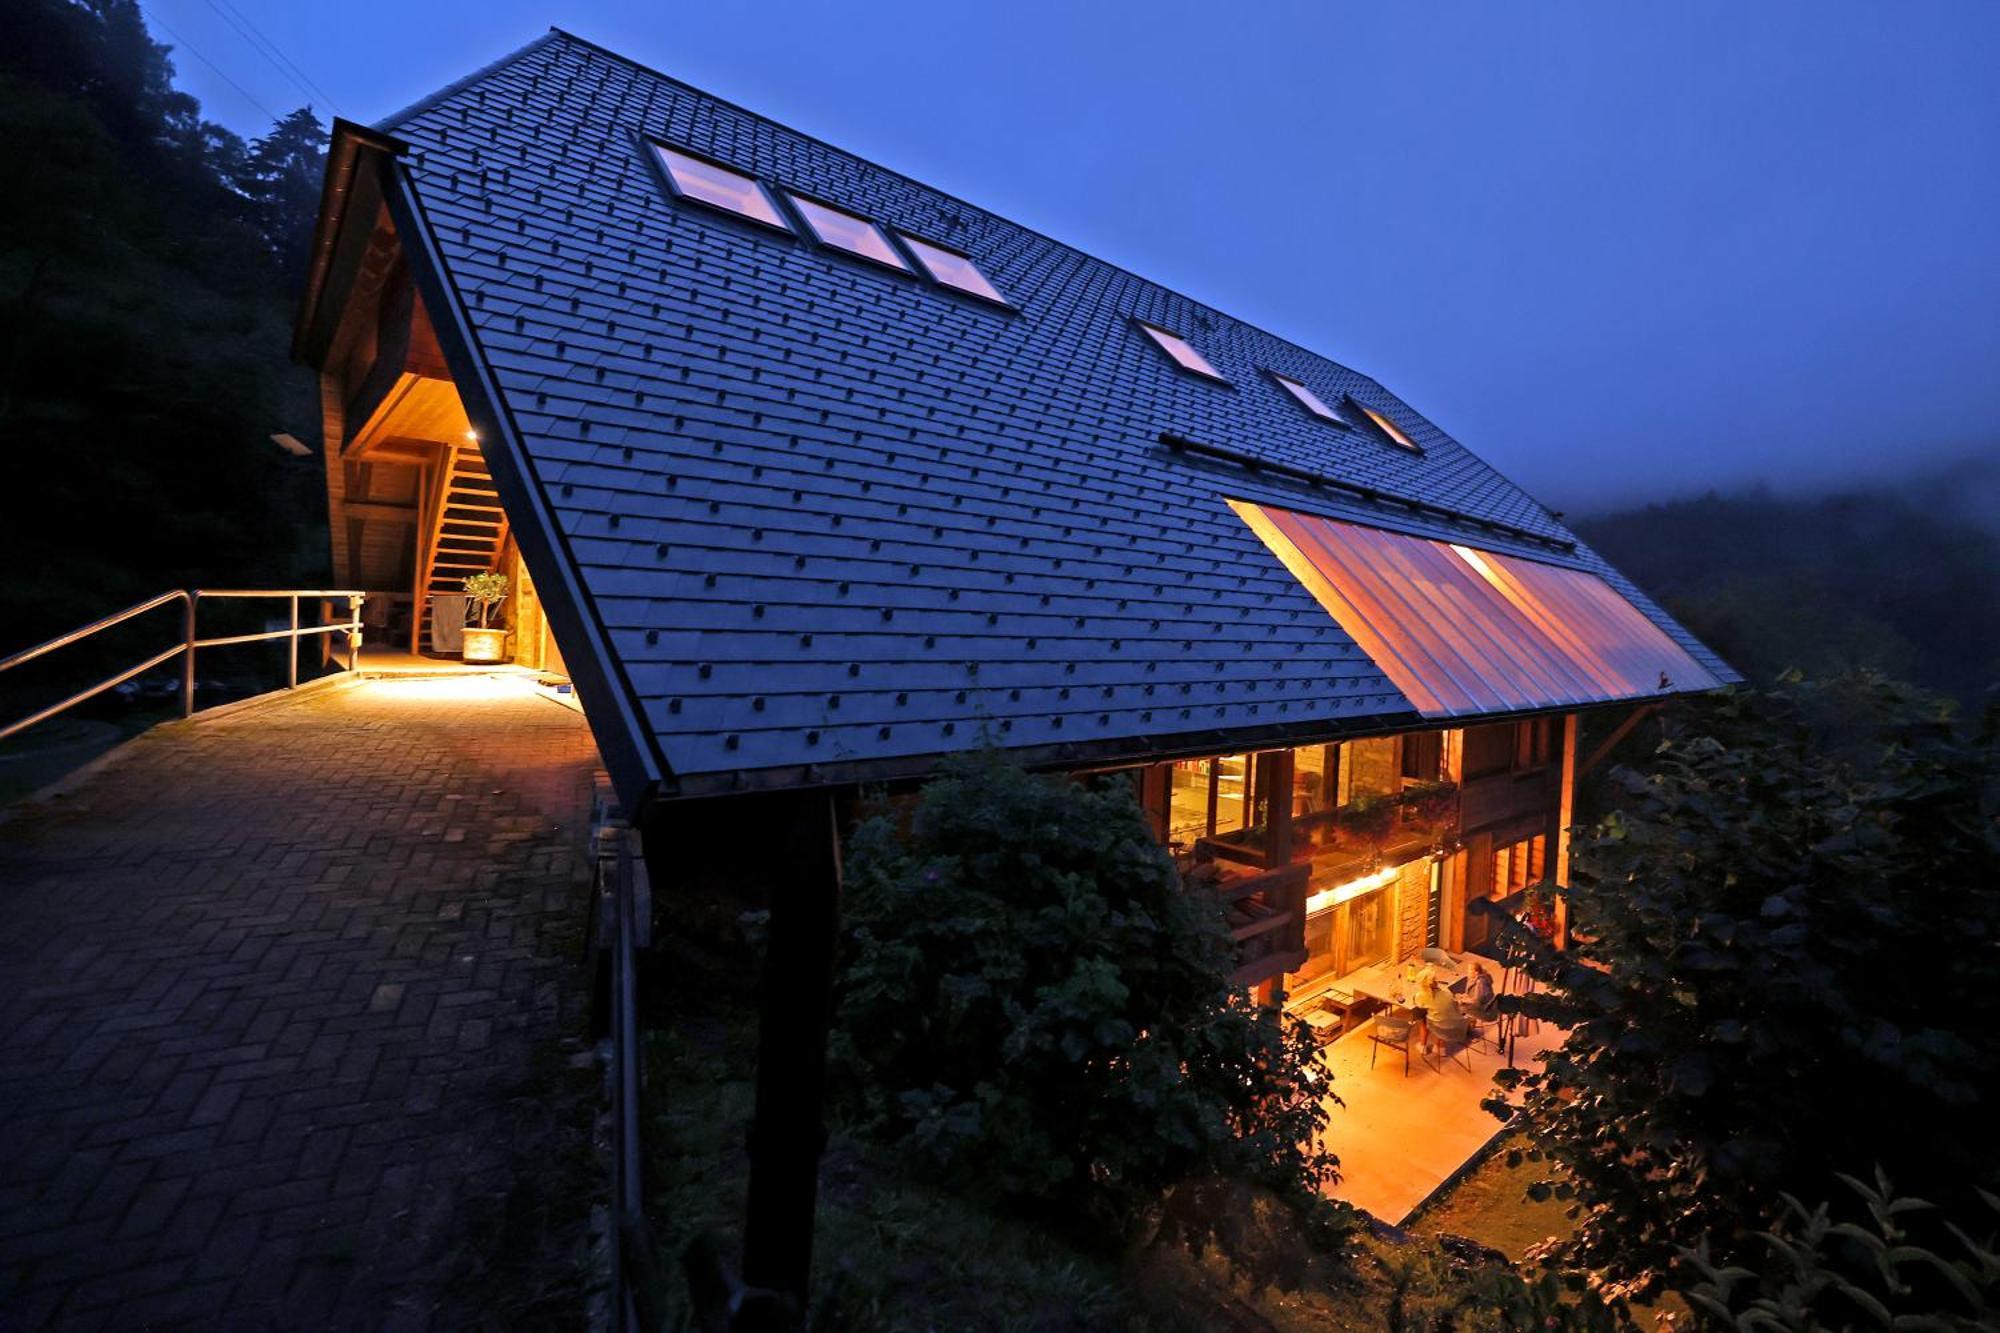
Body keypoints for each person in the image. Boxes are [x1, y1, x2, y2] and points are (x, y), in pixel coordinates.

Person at [1412, 966, 1460, 1054]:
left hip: (1438, 1026)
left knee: (1421, 1017)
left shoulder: (1421, 996)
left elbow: (1417, 1003)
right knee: (1442, 1015)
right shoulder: (1446, 991)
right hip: (1455, 1023)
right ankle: (1440, 1047)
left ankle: (1422, 1046)